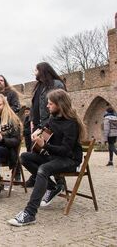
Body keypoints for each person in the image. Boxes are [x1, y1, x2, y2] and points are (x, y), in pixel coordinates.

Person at [8, 89, 85, 226]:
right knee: (24, 157)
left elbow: (66, 150)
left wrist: (44, 146)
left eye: (50, 104)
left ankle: (30, 213)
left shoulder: (71, 124)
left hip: (70, 160)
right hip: (55, 157)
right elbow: (46, 126)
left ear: (59, 105)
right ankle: (53, 187)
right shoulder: (53, 118)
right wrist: (37, 131)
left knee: (43, 169)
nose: (47, 106)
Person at [26, 62, 66, 187]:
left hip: (49, 124)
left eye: (36, 70)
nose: (34, 72)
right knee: (36, 151)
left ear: (42, 70)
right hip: (38, 124)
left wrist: (49, 124)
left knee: (48, 152)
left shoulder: (56, 84)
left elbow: (60, 105)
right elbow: (34, 106)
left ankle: (59, 181)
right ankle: (37, 177)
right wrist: (32, 120)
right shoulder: (39, 86)